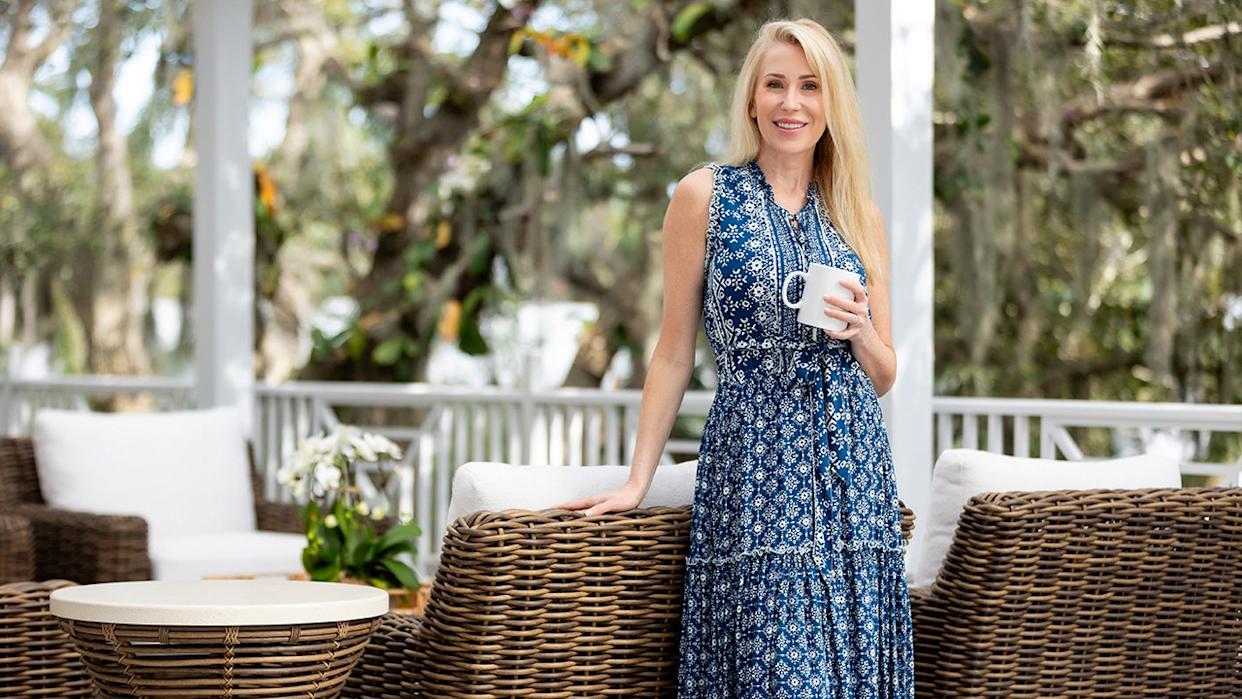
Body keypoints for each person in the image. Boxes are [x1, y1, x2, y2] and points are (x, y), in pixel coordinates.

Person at [554, 17, 913, 697]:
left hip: (852, 474)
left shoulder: (859, 215)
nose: (791, 102)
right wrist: (638, 480)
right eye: (774, 85)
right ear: (751, 99)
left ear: (829, 104)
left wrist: (862, 329)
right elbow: (671, 351)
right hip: (754, 468)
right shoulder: (704, 197)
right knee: (773, 670)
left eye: (809, 87)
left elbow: (886, 372)